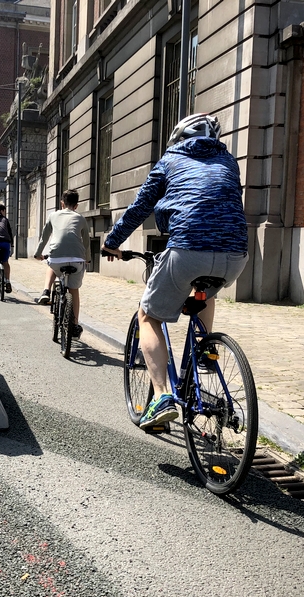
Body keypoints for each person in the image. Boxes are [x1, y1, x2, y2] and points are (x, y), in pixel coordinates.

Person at [101, 113, 248, 430]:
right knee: (202, 293)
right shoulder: (229, 161)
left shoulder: (171, 159)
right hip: (235, 255)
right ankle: (207, 350)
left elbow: (140, 206)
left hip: (187, 251)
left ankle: (162, 397)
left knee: (148, 316)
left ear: (178, 138)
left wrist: (112, 242)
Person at [34, 189, 90, 339]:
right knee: (74, 290)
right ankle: (75, 325)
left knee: (51, 264)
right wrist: (88, 259)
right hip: (77, 260)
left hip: (57, 258)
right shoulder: (81, 218)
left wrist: (38, 253)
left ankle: (45, 291)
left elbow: (44, 237)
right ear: (76, 205)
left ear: (62, 203)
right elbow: (87, 242)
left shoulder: (53, 215)